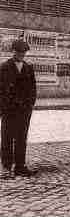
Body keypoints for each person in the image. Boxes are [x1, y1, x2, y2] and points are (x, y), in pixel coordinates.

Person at [0, 39, 37, 179]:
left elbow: (33, 89)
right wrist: (3, 108)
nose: (21, 54)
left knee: (22, 139)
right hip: (9, 110)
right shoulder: (4, 67)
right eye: (18, 52)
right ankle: (6, 167)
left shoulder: (28, 68)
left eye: (23, 52)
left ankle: (20, 167)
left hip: (23, 111)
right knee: (7, 138)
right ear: (13, 52)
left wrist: (30, 106)